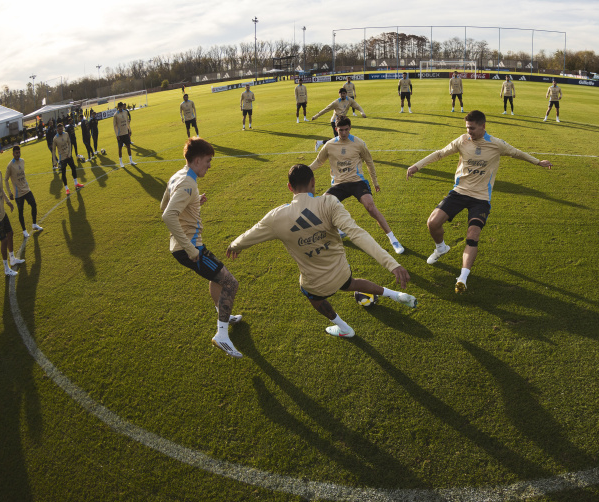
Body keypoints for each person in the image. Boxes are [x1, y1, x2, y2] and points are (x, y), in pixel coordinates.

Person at [225, 164, 417, 339]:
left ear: (289, 187)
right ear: (313, 182)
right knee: (350, 283)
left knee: (309, 294)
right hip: (342, 272)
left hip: (315, 284)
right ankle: (395, 295)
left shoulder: (276, 217)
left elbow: (250, 235)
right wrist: (392, 264)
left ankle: (343, 328)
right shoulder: (329, 203)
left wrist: (235, 245)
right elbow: (358, 235)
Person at [406, 110, 553, 293]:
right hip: (459, 192)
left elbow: (517, 153)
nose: (469, 132)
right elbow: (440, 153)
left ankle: (463, 277)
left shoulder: (496, 144)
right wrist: (417, 165)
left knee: (473, 235)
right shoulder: (462, 140)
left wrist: (538, 162)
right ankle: (441, 247)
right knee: (432, 223)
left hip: (481, 198)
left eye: (473, 128)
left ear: (483, 126)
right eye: (467, 128)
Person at [160, 138, 243, 358]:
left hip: (184, 246)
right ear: (197, 160)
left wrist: (195, 201)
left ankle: (223, 314)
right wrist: (191, 249)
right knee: (230, 283)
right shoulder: (188, 183)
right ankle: (222, 335)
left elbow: (164, 204)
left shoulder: (178, 175)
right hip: (189, 248)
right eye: (207, 161)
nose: (209, 165)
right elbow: (167, 214)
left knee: (217, 277)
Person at [309, 117, 405, 255]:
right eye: (340, 130)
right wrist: (303, 169)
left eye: (346, 129)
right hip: (339, 184)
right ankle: (339, 231)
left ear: (350, 128)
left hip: (357, 182)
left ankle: (393, 239)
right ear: (336, 129)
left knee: (370, 207)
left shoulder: (359, 143)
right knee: (322, 206)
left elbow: (369, 162)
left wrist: (375, 182)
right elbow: (318, 162)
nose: (343, 133)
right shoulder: (329, 145)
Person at [5, 145, 43, 238]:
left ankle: (34, 224)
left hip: (27, 189)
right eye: (16, 153)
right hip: (18, 194)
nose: (18, 154)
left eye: (19, 152)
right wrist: (10, 193)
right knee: (20, 212)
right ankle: (24, 231)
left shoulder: (22, 161)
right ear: (13, 154)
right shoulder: (10, 166)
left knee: (34, 204)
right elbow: (6, 179)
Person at [52, 123, 84, 196]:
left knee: (73, 168)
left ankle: (76, 184)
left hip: (68, 156)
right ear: (57, 129)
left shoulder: (66, 134)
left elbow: (69, 143)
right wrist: (54, 161)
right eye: (59, 129)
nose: (61, 130)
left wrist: (69, 153)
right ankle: (67, 189)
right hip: (62, 158)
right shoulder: (55, 138)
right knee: (63, 173)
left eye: (62, 129)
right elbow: (53, 150)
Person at [113, 102, 137, 167]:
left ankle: (131, 161)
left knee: (128, 147)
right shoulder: (115, 115)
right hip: (120, 134)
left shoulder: (125, 112)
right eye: (120, 107)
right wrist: (117, 135)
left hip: (126, 132)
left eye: (121, 107)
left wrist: (129, 130)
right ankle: (121, 162)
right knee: (120, 148)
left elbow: (127, 122)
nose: (121, 108)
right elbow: (115, 126)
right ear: (118, 107)